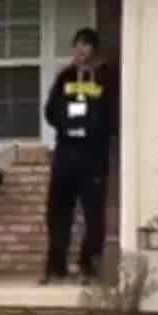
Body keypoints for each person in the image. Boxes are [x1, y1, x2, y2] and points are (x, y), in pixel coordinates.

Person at [41, 27, 117, 285]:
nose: (80, 52)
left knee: (94, 215)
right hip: (66, 155)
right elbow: (50, 111)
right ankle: (56, 267)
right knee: (58, 213)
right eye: (77, 47)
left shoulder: (108, 77)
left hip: (93, 156)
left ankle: (89, 266)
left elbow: (112, 114)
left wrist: (90, 124)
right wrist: (67, 121)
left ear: (94, 50)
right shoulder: (65, 76)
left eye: (85, 47)